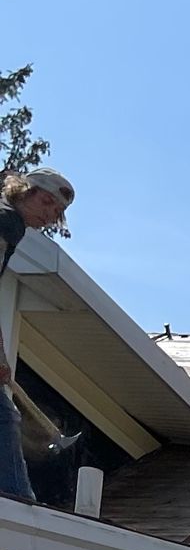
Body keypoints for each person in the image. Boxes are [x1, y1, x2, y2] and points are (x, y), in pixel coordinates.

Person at [0, 167, 75, 504]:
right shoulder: (7, 223)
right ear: (24, 191)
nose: (49, 214)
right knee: (4, 415)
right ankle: (18, 498)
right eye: (46, 202)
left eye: (56, 212)